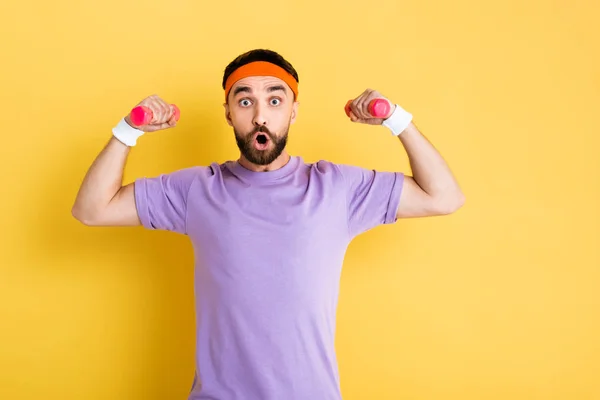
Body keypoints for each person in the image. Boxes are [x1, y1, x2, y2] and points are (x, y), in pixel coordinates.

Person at [71, 48, 464, 400]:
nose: (260, 115)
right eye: (245, 101)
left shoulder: (336, 188)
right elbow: (93, 209)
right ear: (228, 113)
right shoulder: (198, 189)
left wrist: (396, 119)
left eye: (275, 100)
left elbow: (444, 197)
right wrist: (129, 130)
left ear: (292, 110)